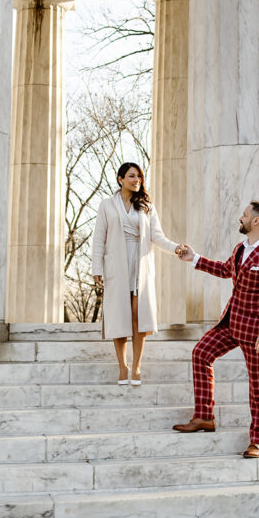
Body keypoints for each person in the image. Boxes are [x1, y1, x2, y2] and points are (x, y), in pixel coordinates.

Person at [174, 201, 259, 458]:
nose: (241, 217)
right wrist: (195, 259)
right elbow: (226, 270)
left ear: (255, 221)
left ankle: (257, 441)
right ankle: (204, 416)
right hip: (232, 322)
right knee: (201, 353)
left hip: (257, 332)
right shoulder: (240, 248)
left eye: (245, 215)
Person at [91, 162, 184, 385]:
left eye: (139, 177)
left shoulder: (147, 207)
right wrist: (96, 269)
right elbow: (98, 239)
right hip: (116, 265)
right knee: (119, 315)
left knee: (137, 315)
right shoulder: (106, 205)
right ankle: (122, 367)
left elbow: (157, 236)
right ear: (120, 179)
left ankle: (137, 366)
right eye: (132, 176)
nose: (136, 180)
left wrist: (175, 248)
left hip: (140, 264)